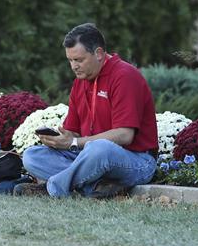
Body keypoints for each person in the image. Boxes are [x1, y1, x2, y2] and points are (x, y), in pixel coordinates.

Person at [17, 23, 158, 198]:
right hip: (90, 157)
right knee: (32, 156)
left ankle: (52, 189)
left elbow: (125, 135)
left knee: (99, 149)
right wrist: (60, 140)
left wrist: (75, 143)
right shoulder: (80, 81)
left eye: (79, 60)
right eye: (70, 60)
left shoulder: (124, 75)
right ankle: (98, 187)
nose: (74, 66)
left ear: (98, 53)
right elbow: (73, 133)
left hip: (137, 161)